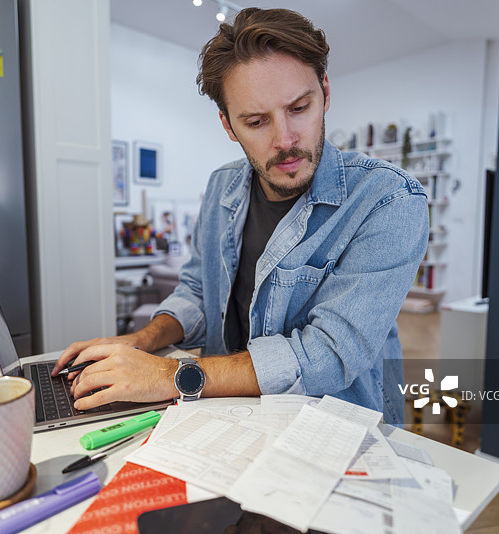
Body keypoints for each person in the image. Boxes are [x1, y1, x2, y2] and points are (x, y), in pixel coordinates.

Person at [52, 7, 428, 424]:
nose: (285, 140)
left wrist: (170, 374)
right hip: (228, 416)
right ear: (228, 125)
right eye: (256, 121)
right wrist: (142, 340)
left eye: (300, 108)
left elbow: (330, 353)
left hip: (336, 433)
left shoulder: (389, 200)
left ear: (325, 92)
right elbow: (197, 290)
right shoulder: (222, 187)